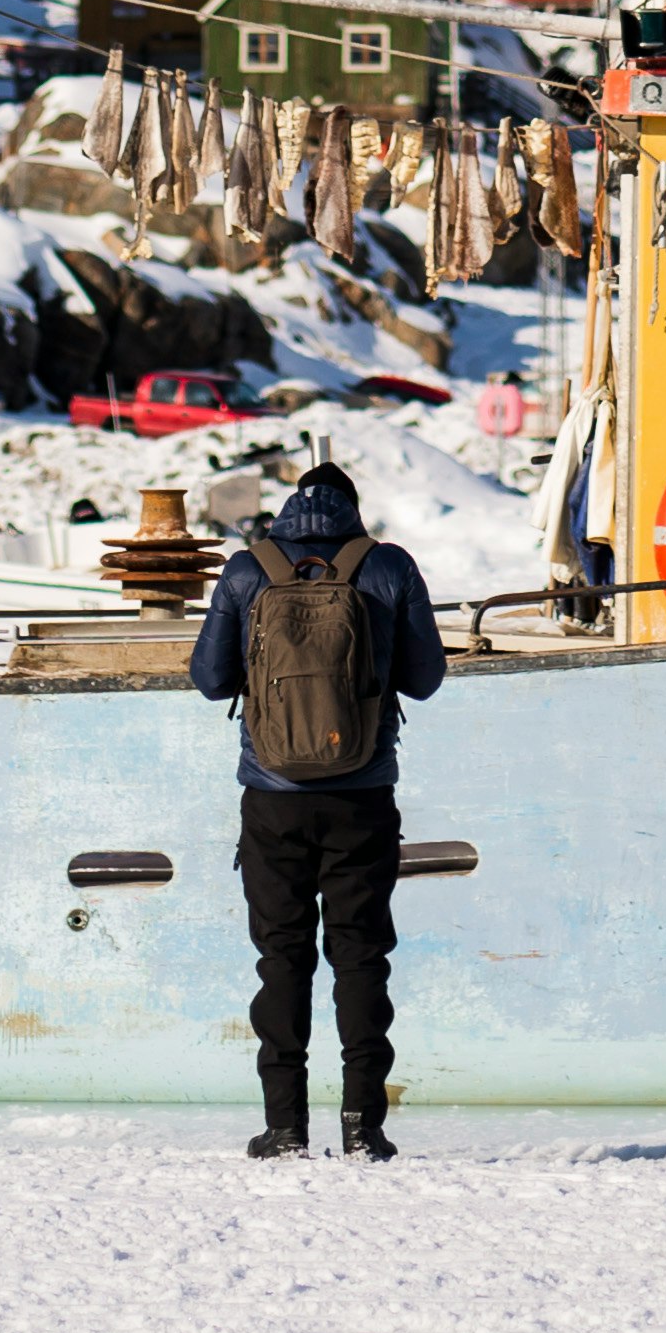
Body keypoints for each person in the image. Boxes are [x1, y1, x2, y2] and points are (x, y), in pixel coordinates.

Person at [186, 454, 445, 1158]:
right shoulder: (387, 565)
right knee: (361, 960)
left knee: (282, 960)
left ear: (289, 509)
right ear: (351, 510)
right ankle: (364, 1130)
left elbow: (209, 681)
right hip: (363, 795)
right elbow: (426, 681)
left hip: (272, 800)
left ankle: (285, 1128)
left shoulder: (248, 570)